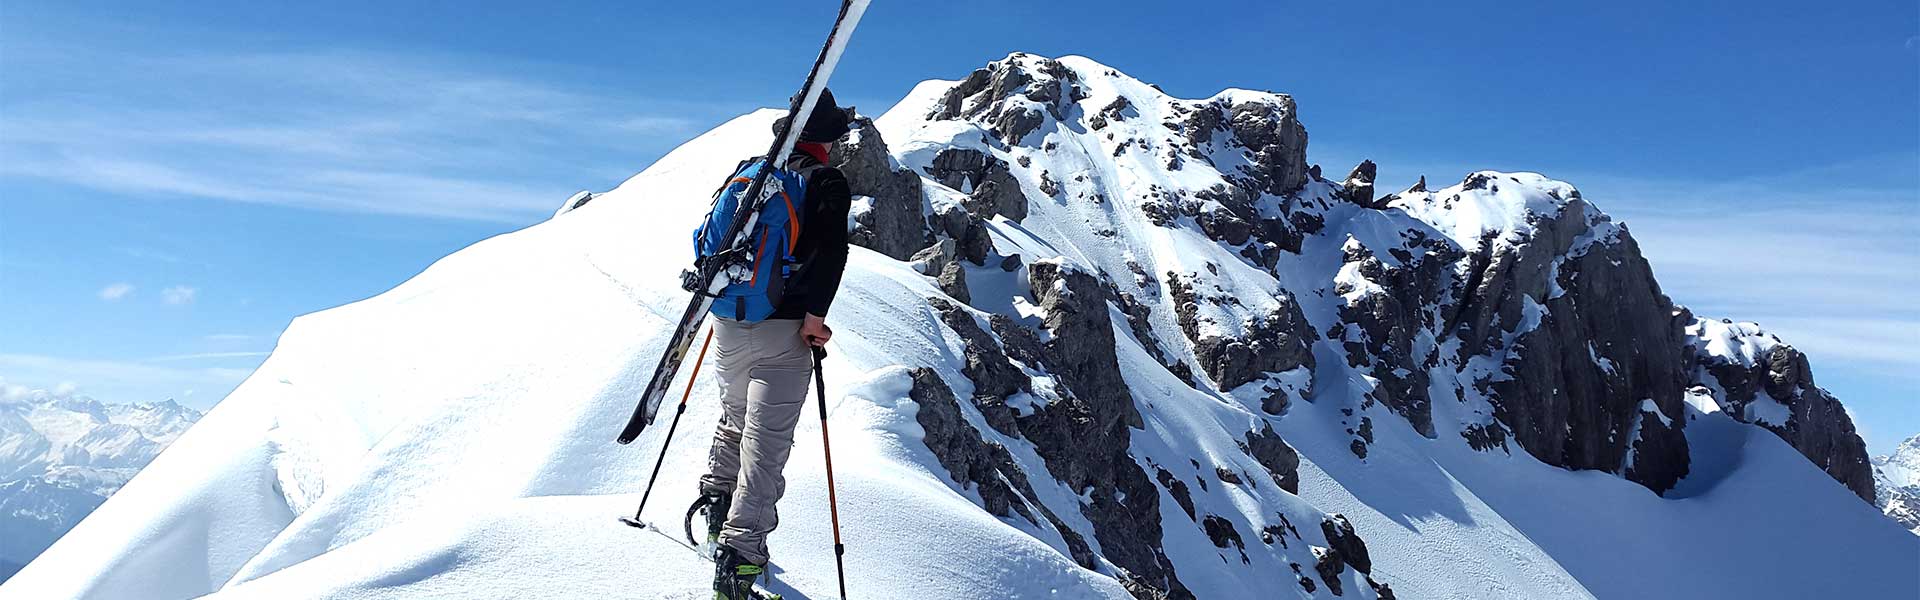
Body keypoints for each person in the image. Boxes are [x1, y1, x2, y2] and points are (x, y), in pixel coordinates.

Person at [698, 89, 853, 600]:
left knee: (734, 418)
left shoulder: (756, 174)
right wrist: (815, 318)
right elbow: (830, 251)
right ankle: (740, 562)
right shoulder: (826, 180)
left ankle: (715, 507)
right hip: (782, 332)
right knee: (766, 449)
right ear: (826, 139)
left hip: (729, 321)